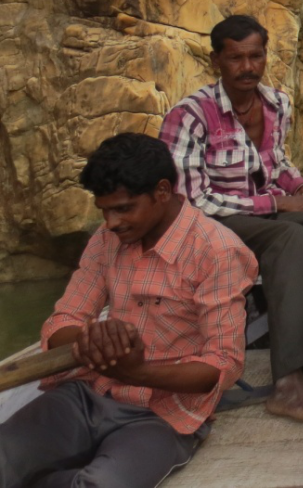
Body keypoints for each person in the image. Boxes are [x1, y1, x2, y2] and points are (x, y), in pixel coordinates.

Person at [0, 133, 257, 488]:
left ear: (162, 192)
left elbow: (222, 366)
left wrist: (137, 371)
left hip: (162, 416)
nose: (111, 223)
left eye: (123, 208)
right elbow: (63, 322)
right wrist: (93, 339)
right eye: (104, 210)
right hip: (85, 395)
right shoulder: (105, 242)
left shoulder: (218, 251)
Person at [159, 14, 303, 422]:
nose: (247, 67)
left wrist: (299, 189)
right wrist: (279, 205)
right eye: (236, 58)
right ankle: (287, 382)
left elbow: (276, 163)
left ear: (265, 57)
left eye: (256, 56)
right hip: (211, 225)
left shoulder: (277, 104)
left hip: (263, 216)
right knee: (287, 238)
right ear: (216, 61)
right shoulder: (190, 115)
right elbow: (190, 202)